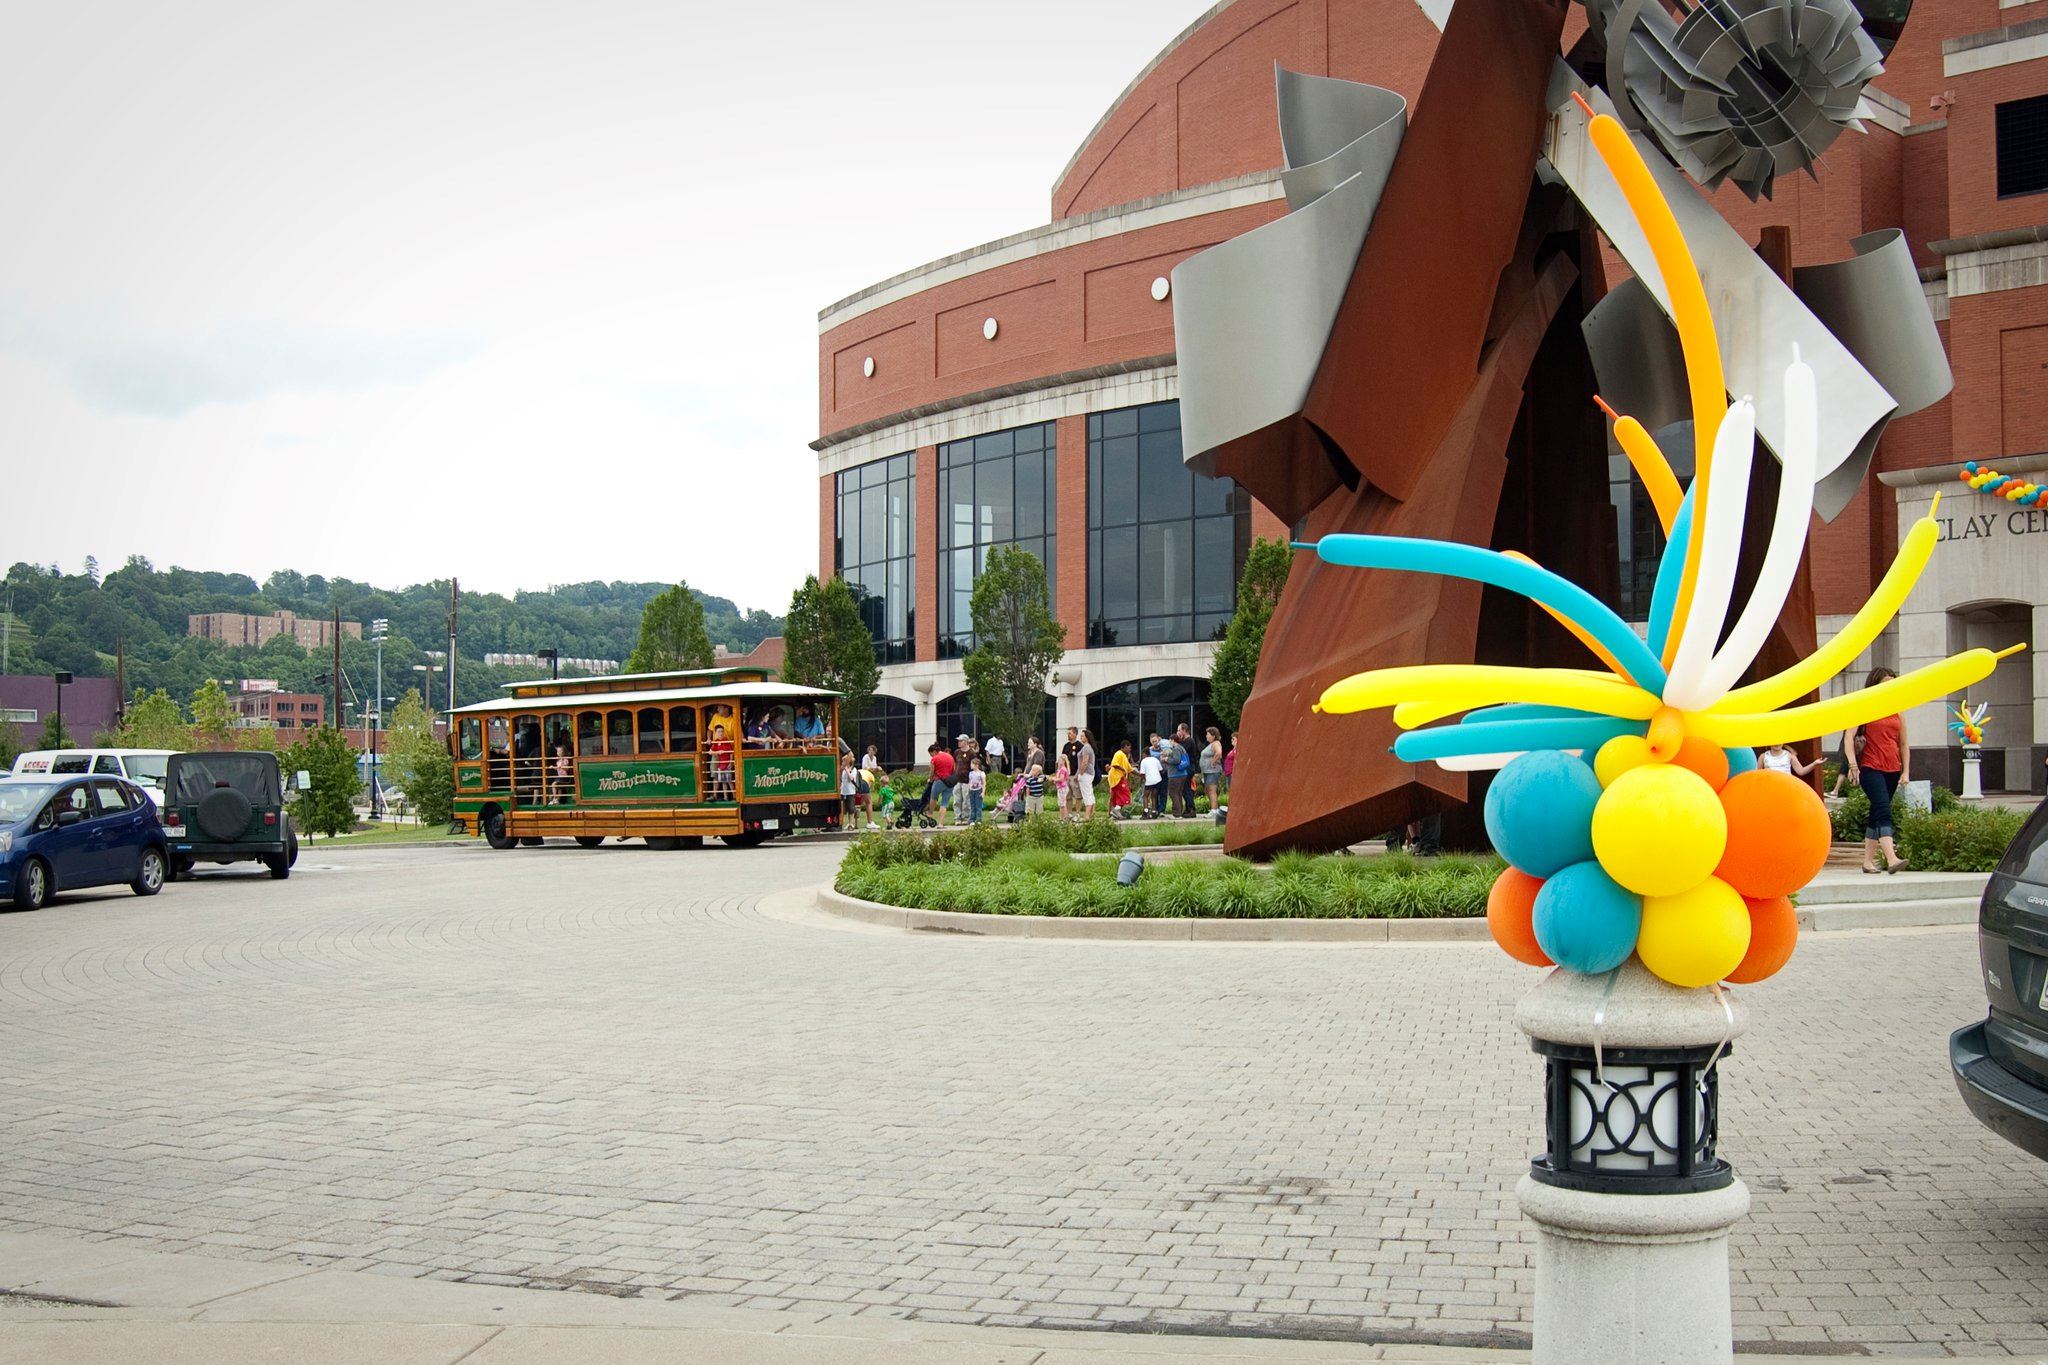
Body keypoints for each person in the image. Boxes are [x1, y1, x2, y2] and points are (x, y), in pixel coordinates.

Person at [1843, 667, 1909, 874]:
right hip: (1870, 767)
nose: (1890, 686)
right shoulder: (1864, 707)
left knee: (1876, 812)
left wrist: (1905, 772)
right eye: (1885, 682)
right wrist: (1853, 765)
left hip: (1892, 768)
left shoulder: (1897, 709)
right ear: (1875, 685)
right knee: (1883, 809)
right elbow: (1848, 737)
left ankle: (1867, 862)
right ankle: (1891, 858)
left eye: (1893, 682)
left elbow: (1904, 744)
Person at [926, 742, 956, 826]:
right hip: (949, 782)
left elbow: (932, 773)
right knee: (944, 803)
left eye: (931, 754)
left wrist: (930, 780)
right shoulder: (950, 756)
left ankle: (930, 814)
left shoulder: (934, 759)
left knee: (933, 798)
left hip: (939, 781)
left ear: (934, 752)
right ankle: (941, 824)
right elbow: (953, 769)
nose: (931, 756)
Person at [1199, 726, 1225, 810]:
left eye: (1208, 734)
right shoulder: (1210, 744)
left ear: (1213, 736)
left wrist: (1213, 762)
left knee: (1211, 790)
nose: (1206, 736)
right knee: (1208, 790)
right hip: (1207, 771)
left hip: (1212, 771)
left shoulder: (1215, 743)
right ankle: (1214, 809)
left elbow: (1219, 753)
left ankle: (1214, 810)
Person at [1060, 728, 1084, 816]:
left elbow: (1082, 761)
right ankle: (1069, 813)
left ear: (1075, 734)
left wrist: (1079, 774)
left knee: (1077, 795)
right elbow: (1062, 759)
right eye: (1067, 734)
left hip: (1075, 775)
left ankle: (1077, 813)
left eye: (1070, 733)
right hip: (1066, 776)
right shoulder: (1066, 746)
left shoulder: (1080, 746)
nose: (1068, 735)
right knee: (1068, 796)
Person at [1108, 741, 1134, 816]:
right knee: (1125, 793)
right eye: (1129, 748)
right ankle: (1116, 809)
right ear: (1125, 746)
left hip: (1117, 778)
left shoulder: (1124, 756)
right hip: (1118, 777)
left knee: (1116, 796)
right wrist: (1122, 769)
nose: (1130, 750)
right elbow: (1114, 764)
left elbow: (1130, 769)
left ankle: (1114, 812)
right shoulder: (1118, 753)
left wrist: (1140, 775)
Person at [1076, 728, 1098, 817]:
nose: (1080, 737)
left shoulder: (1086, 747)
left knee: (1086, 794)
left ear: (1087, 737)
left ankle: (1087, 816)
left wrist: (1080, 773)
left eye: (1082, 736)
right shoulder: (1088, 747)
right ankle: (1092, 813)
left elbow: (1085, 762)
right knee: (1090, 793)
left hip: (1086, 774)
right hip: (1089, 773)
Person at [1141, 738, 1165, 817]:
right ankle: (1154, 812)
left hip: (1149, 781)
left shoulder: (1144, 761)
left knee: (1145, 796)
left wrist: (1142, 781)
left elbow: (1142, 774)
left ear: (1144, 754)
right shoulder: (1155, 759)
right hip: (1158, 780)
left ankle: (1146, 812)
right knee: (1154, 796)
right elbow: (1161, 770)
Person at [965, 756, 986, 824]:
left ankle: (978, 819)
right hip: (972, 791)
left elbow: (984, 783)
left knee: (978, 806)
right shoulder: (970, 773)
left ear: (976, 765)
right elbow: (969, 782)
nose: (970, 765)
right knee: (972, 806)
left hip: (978, 791)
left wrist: (983, 792)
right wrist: (968, 790)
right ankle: (972, 820)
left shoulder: (981, 773)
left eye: (972, 764)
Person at [1222, 736, 1237, 804]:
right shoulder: (1233, 750)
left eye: (1233, 739)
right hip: (1228, 773)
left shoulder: (1237, 750)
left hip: (1232, 773)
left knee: (1233, 791)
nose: (1232, 740)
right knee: (1230, 791)